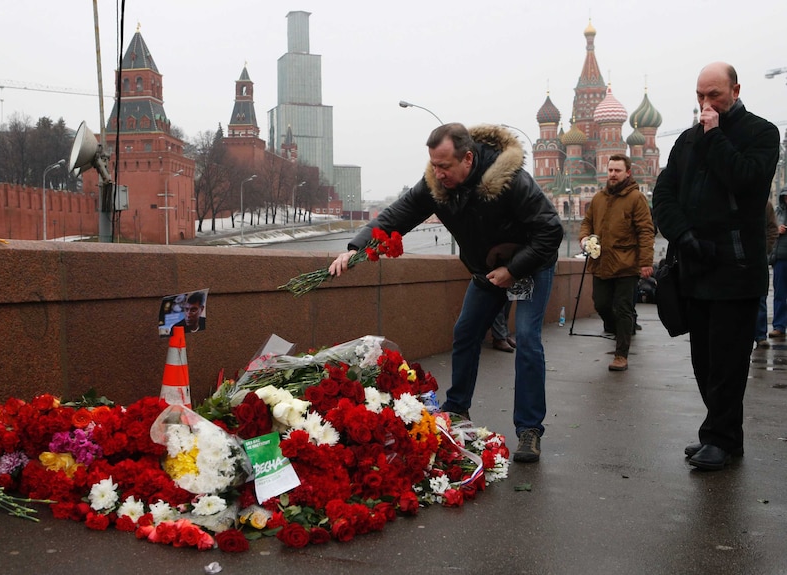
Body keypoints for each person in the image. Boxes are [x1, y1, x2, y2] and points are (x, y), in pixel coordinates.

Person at [328, 123, 563, 463]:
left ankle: (529, 430)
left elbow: (550, 231)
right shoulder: (436, 186)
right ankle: (456, 411)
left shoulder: (513, 182)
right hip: (487, 269)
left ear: (468, 159)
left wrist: (513, 270)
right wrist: (356, 248)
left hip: (529, 265)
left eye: (445, 166)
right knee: (465, 332)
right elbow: (396, 216)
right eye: (433, 166)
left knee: (526, 337)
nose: (438, 174)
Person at [652, 62, 780, 471]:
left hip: (737, 268)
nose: (706, 104)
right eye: (700, 96)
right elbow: (664, 194)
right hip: (696, 264)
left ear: (735, 91)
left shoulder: (761, 134)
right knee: (704, 360)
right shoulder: (687, 141)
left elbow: (744, 180)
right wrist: (682, 234)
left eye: (715, 96)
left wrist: (714, 136)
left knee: (728, 361)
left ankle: (719, 438)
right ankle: (726, 436)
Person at [579, 153, 655, 371]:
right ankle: (622, 329)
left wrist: (646, 262)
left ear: (627, 173)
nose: (612, 174)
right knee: (601, 303)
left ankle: (621, 354)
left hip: (626, 263)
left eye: (617, 171)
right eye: (610, 170)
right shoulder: (599, 198)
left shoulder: (636, 198)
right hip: (601, 262)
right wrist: (584, 238)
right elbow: (587, 222)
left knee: (623, 307)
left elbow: (645, 231)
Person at [754, 200, 779, 347]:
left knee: (760, 299)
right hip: (734, 260)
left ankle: (760, 336)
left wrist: (765, 250)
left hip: (758, 259)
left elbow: (772, 229)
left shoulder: (765, 204)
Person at [770, 187, 787, 339]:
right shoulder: (777, 212)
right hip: (780, 257)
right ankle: (779, 326)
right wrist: (778, 230)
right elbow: (770, 230)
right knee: (779, 294)